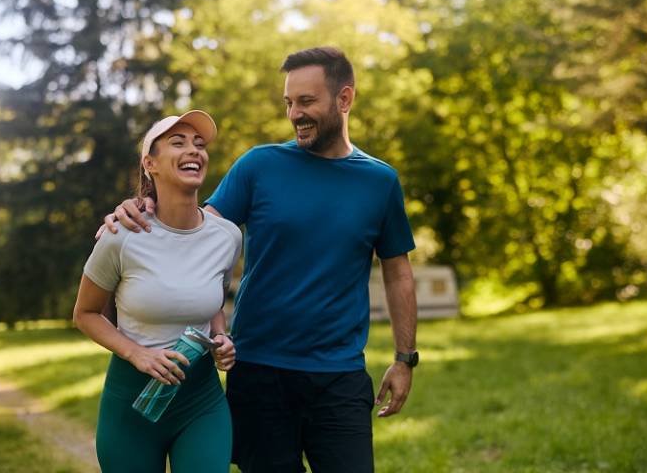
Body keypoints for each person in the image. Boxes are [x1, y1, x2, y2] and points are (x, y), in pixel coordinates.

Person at [103, 47, 419, 473]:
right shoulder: (260, 166)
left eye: (306, 102)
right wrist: (140, 208)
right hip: (259, 374)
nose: (295, 114)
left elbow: (398, 274)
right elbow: (192, 232)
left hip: (339, 377)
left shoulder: (380, 182)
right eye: (289, 102)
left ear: (344, 100)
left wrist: (404, 359)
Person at [74, 110, 242, 472]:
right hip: (131, 403)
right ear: (150, 163)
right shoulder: (121, 236)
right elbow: (85, 314)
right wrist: (138, 354)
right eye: (178, 143)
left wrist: (221, 337)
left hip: (200, 402)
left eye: (199, 144)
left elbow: (212, 297)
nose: (193, 150)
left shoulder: (228, 236)